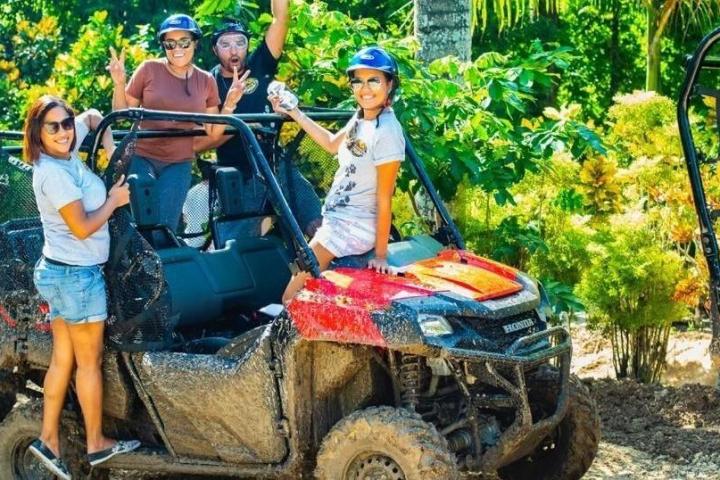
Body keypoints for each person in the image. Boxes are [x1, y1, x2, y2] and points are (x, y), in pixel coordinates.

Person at [23, 95, 140, 480]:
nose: (64, 131)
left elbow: (92, 117)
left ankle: (48, 440)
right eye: (53, 126)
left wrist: (94, 127)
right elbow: (83, 226)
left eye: (66, 123)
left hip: (59, 271)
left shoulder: (64, 154)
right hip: (77, 276)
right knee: (87, 363)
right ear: (37, 134)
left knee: (63, 360)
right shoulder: (53, 173)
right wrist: (114, 200)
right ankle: (95, 444)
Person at [270, 46, 405, 303]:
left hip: (352, 226)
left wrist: (381, 256)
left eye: (374, 80)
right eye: (359, 81)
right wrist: (294, 112)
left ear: (389, 84)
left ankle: (279, 341)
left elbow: (385, 197)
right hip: (337, 220)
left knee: (290, 296)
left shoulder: (387, 131)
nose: (365, 89)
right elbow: (332, 144)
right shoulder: (361, 118)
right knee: (302, 277)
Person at [193, 3, 323, 237]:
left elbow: (281, 18)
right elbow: (200, 145)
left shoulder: (260, 66)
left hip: (276, 165)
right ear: (214, 49)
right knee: (240, 241)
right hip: (238, 175)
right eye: (225, 44)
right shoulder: (206, 83)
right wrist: (241, 128)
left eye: (240, 43)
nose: (234, 51)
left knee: (317, 225)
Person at [107, 13, 245, 232]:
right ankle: (130, 261)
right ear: (164, 46)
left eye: (183, 42)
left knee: (165, 224)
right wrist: (119, 83)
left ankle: (159, 263)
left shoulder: (205, 80)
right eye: (170, 44)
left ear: (195, 43)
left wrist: (228, 105)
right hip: (142, 156)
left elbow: (213, 132)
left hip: (178, 161)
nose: (177, 48)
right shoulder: (148, 69)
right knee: (141, 211)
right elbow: (121, 115)